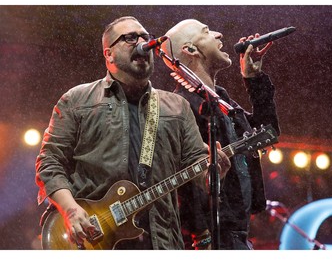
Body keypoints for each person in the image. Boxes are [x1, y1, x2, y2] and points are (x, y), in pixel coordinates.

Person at [35, 16, 230, 250]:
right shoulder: (77, 100)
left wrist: (214, 173)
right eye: (130, 38)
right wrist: (71, 209)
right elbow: (49, 163)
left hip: (161, 243)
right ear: (108, 54)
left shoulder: (177, 107)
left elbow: (198, 175)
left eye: (145, 37)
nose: (141, 42)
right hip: (94, 238)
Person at [161, 19, 280, 250]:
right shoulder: (179, 109)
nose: (219, 35)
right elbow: (180, 186)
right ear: (190, 50)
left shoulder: (223, 101)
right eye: (207, 32)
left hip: (238, 236)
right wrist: (199, 235)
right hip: (209, 240)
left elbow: (268, 133)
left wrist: (253, 80)